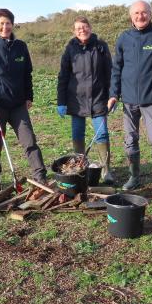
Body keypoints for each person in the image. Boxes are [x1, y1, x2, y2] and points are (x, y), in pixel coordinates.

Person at [108, 0, 152, 195]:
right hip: (129, 100)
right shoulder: (124, 38)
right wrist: (113, 94)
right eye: (137, 13)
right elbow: (116, 69)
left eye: (144, 12)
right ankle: (134, 176)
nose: (141, 16)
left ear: (150, 14)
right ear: (131, 16)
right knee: (130, 140)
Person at [0, 8, 48, 193]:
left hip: (18, 105)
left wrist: (29, 96)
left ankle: (40, 176)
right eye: (1, 23)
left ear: (12, 25)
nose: (5, 26)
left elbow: (27, 74)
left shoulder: (21, 47)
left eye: (8, 23)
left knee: (29, 140)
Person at [57, 16, 114, 184]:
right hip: (76, 100)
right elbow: (63, 76)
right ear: (74, 32)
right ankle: (80, 168)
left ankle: (106, 170)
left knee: (102, 134)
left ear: (90, 27)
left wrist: (113, 95)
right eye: (78, 28)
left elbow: (110, 72)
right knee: (77, 133)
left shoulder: (101, 46)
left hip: (98, 99)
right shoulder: (69, 49)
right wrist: (61, 101)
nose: (82, 30)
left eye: (85, 26)